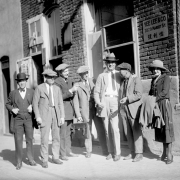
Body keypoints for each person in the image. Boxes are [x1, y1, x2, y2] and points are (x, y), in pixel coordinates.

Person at [73, 66, 108, 158]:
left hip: (96, 110)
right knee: (87, 131)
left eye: (87, 73)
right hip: (85, 111)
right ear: (80, 75)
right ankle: (88, 150)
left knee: (101, 130)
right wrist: (78, 114)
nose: (86, 75)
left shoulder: (94, 81)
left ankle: (105, 149)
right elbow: (75, 101)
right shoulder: (77, 85)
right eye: (84, 74)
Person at [33, 69, 65, 168]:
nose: (52, 79)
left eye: (53, 77)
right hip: (44, 114)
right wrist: (38, 116)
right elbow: (35, 104)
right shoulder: (39, 88)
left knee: (56, 137)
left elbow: (60, 103)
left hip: (55, 113)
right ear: (45, 77)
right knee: (44, 138)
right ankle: (44, 159)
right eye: (49, 77)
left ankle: (55, 157)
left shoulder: (57, 88)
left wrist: (62, 116)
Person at [94, 52, 122, 162]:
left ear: (115, 64)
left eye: (112, 63)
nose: (110, 65)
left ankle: (118, 152)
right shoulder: (101, 76)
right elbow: (96, 92)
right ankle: (110, 152)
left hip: (115, 100)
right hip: (104, 101)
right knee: (107, 129)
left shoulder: (120, 75)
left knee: (115, 128)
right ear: (106, 64)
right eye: (108, 63)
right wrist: (98, 102)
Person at [6, 73, 37, 170]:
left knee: (30, 139)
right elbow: (7, 104)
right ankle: (19, 162)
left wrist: (32, 107)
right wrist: (12, 109)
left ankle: (31, 159)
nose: (21, 83)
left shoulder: (32, 92)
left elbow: (36, 102)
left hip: (28, 118)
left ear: (26, 81)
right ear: (17, 83)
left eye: (23, 81)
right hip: (17, 119)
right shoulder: (13, 93)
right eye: (20, 81)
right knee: (18, 140)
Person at [148, 59, 175, 164]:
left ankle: (170, 154)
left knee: (167, 128)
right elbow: (151, 92)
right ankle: (164, 152)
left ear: (161, 70)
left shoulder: (166, 78)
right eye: (154, 69)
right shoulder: (153, 80)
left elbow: (164, 92)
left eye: (157, 69)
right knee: (160, 128)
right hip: (156, 105)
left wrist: (154, 98)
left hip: (164, 104)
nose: (155, 71)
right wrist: (149, 101)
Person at [118, 62, 143, 162]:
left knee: (136, 131)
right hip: (124, 110)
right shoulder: (123, 81)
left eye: (121, 70)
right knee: (127, 132)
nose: (120, 72)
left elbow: (139, 94)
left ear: (127, 70)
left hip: (133, 109)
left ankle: (139, 153)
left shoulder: (136, 79)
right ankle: (132, 152)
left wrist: (127, 99)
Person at [55, 63, 78, 161]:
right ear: (60, 72)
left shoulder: (70, 80)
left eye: (68, 71)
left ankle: (68, 151)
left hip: (70, 110)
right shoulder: (57, 82)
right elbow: (59, 97)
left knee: (69, 133)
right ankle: (62, 153)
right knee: (63, 133)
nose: (67, 73)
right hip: (62, 110)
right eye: (65, 71)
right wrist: (71, 91)